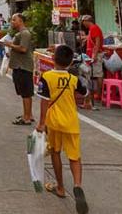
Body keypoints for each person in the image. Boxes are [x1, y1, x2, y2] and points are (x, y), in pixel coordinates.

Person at [36, 45, 89, 214]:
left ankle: (60, 187)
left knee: (56, 152)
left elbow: (44, 101)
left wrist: (41, 123)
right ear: (70, 61)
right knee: (74, 156)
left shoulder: (47, 77)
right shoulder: (74, 78)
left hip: (54, 123)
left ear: (53, 59)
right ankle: (77, 185)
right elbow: (85, 92)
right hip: (71, 122)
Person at [2, 13, 35, 125]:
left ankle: (26, 118)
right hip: (20, 66)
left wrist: (9, 45)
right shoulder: (20, 34)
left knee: (25, 93)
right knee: (25, 93)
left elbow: (23, 49)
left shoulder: (24, 33)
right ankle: (28, 114)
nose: (12, 22)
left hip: (23, 67)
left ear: (20, 21)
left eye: (14, 20)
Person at [81, 15, 103, 109]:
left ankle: (98, 94)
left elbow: (97, 42)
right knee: (92, 74)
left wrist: (94, 56)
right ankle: (94, 93)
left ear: (87, 21)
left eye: (83, 22)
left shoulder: (94, 28)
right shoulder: (91, 29)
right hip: (91, 54)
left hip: (95, 55)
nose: (83, 24)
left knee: (98, 74)